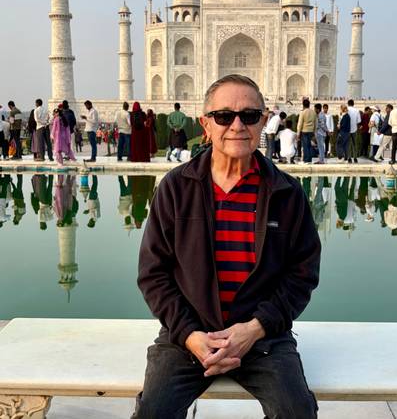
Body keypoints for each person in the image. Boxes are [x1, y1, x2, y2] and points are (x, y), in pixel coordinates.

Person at [133, 74, 320, 419]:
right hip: (188, 336)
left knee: (297, 412)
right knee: (153, 414)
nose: (237, 125)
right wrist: (190, 335)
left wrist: (255, 329)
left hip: (262, 338)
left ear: (264, 122)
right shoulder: (178, 187)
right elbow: (153, 274)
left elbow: (302, 274)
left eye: (249, 116)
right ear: (206, 124)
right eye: (223, 116)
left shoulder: (286, 193)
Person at [297, 98, 316, 163]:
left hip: (304, 131)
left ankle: (306, 159)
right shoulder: (313, 112)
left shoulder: (303, 112)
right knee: (309, 145)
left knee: (305, 145)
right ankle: (309, 159)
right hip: (311, 131)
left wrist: (298, 133)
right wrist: (314, 132)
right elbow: (315, 123)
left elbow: (300, 123)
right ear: (309, 105)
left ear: (303, 105)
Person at [347, 99, 361, 163]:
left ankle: (349, 158)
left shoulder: (346, 110)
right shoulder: (357, 111)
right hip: (354, 129)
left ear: (348, 104)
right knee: (355, 144)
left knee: (348, 144)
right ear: (353, 104)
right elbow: (359, 121)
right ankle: (355, 158)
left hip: (347, 130)